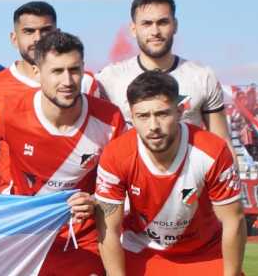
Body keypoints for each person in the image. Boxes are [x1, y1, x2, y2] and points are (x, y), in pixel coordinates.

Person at [0, 31, 126, 276]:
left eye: (74, 70)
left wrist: (94, 203)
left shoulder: (110, 119)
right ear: (37, 73)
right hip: (26, 236)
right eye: (57, 71)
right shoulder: (9, 110)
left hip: (82, 242)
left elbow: (121, 191)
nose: (67, 80)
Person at [95, 71, 245, 275]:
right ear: (131, 115)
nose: (153, 126)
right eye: (143, 116)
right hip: (141, 252)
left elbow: (233, 220)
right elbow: (108, 229)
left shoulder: (213, 151)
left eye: (162, 114)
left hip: (205, 255)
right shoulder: (115, 155)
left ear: (180, 111)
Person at [0, 1, 103, 190]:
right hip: (19, 203)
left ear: (58, 33)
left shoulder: (86, 82)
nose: (38, 38)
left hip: (75, 205)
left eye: (45, 30)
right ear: (14, 38)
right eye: (29, 31)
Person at [97, 0, 231, 144]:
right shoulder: (109, 79)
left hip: (188, 167)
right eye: (147, 24)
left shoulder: (202, 77)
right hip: (131, 167)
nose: (155, 32)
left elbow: (222, 142)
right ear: (133, 29)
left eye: (162, 22)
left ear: (175, 25)